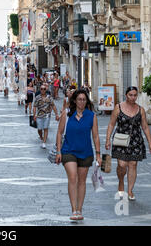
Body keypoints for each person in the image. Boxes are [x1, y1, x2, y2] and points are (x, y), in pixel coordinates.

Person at [55, 89, 101, 222]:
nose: (82, 102)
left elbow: (96, 136)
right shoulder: (67, 114)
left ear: (87, 101)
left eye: (84, 99)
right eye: (79, 99)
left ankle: (80, 209)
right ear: (75, 100)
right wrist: (59, 151)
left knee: (82, 181)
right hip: (68, 150)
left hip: (85, 152)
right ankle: (73, 209)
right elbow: (59, 132)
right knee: (73, 177)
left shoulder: (91, 116)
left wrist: (98, 154)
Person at [105, 86, 151, 201]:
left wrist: (150, 143)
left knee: (133, 164)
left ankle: (130, 190)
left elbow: (145, 127)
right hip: (120, 139)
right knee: (122, 165)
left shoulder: (140, 109)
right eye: (130, 95)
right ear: (126, 95)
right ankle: (121, 182)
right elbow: (111, 124)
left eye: (135, 95)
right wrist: (107, 139)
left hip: (136, 141)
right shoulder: (118, 108)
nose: (133, 98)